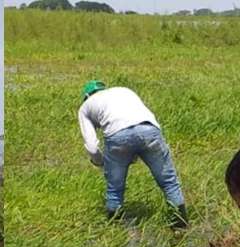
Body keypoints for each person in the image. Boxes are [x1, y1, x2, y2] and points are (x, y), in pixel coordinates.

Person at [77, 80, 188, 226]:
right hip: (150, 129)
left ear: (86, 96)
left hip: (117, 136)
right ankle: (180, 226)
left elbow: (91, 146)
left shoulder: (85, 107)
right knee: (169, 182)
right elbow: (137, 120)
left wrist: (101, 163)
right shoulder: (123, 90)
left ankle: (115, 230)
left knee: (114, 188)